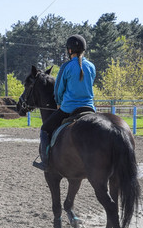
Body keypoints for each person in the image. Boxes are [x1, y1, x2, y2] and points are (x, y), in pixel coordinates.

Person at [33, 34, 96, 170]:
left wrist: (59, 103)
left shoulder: (66, 67)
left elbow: (58, 90)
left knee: (44, 129)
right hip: (90, 108)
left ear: (69, 50)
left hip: (69, 108)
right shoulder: (91, 66)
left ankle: (45, 161)